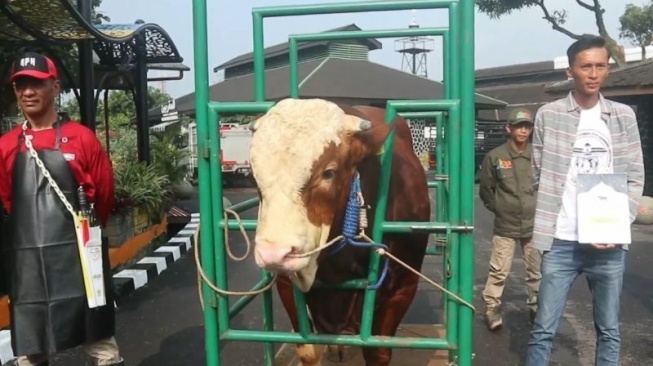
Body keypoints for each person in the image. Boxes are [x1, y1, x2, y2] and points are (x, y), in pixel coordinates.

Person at [526, 35, 644, 365]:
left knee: (609, 329)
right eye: (586, 66)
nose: (593, 73)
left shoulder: (623, 116)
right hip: (560, 239)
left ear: (608, 70)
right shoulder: (549, 115)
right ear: (571, 71)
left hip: (608, 243)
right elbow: (538, 172)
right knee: (543, 329)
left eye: (601, 66)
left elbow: (635, 176)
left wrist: (620, 221)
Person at [0, 52, 124, 366]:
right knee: (31, 348)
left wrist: (83, 242)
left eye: (36, 84)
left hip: (79, 258)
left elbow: (104, 197)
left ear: (55, 87)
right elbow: (8, 202)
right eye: (21, 85)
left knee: (102, 345)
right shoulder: (6, 146)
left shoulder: (82, 139)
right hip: (29, 261)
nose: (28, 92)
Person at [479, 107, 541, 331]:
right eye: (518, 126)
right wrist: (501, 208)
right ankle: (492, 308)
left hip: (535, 225)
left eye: (527, 126)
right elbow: (486, 190)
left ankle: (536, 308)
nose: (523, 130)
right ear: (509, 129)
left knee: (536, 271)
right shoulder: (495, 157)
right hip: (506, 225)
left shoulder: (537, 155)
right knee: (499, 270)